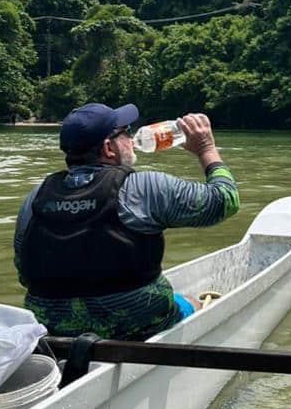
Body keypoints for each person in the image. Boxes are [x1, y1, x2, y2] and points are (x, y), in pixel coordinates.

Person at [13, 102, 239, 340]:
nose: (132, 140)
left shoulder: (35, 197)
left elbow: (23, 270)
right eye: (127, 133)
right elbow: (225, 200)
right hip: (137, 324)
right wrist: (206, 149)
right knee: (191, 302)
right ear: (109, 148)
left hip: (52, 327)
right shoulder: (143, 187)